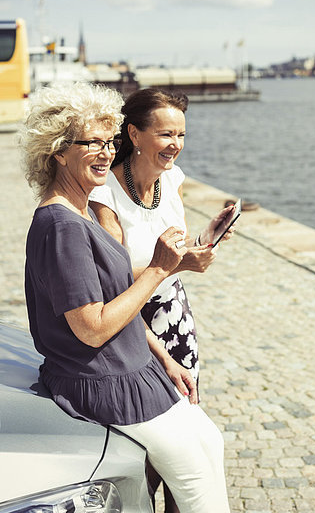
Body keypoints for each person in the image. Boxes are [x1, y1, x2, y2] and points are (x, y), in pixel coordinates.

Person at [20, 82, 230, 513]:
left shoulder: (78, 211)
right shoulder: (63, 225)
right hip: (104, 381)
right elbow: (92, 328)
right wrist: (159, 268)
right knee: (195, 481)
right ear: (59, 151)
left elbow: (117, 297)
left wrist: (164, 358)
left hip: (135, 368)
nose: (104, 152)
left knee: (210, 440)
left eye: (108, 141)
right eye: (91, 143)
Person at [89, 87, 235, 512]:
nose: (176, 145)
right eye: (166, 134)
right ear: (134, 134)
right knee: (150, 453)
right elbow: (111, 284)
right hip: (132, 322)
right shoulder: (105, 197)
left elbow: (176, 246)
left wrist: (202, 246)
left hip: (176, 318)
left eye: (182, 135)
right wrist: (175, 265)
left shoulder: (173, 179)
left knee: (189, 441)